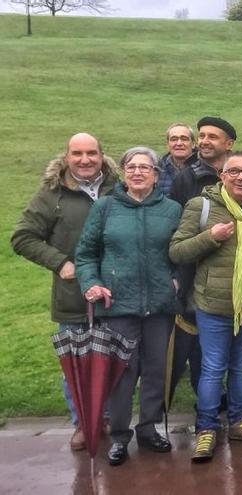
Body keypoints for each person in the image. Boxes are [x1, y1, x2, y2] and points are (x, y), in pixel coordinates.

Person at [11, 132, 118, 451]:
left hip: (116, 292)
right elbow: (23, 237)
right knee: (77, 362)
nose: (85, 160)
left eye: (91, 153)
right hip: (74, 295)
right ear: (67, 156)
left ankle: (109, 417)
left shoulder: (118, 188)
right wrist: (60, 263)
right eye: (77, 154)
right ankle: (83, 423)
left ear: (101, 155)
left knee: (114, 359)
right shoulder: (52, 193)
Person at [75, 147, 181, 466]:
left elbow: (183, 252)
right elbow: (85, 254)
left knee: (155, 371)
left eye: (144, 168)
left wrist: (177, 281)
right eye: (131, 167)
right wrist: (90, 282)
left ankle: (148, 428)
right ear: (122, 172)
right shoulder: (106, 208)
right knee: (122, 374)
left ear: (156, 175)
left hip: (160, 308)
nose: (137, 172)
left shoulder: (172, 209)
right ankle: (120, 436)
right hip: (118, 306)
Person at [170, 151, 242, 462]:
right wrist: (210, 237)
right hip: (212, 304)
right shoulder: (200, 206)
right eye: (234, 171)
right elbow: (177, 251)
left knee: (241, 368)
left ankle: (239, 421)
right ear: (222, 176)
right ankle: (206, 429)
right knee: (213, 369)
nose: (241, 177)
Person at [157, 123, 197, 195]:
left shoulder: (205, 167)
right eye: (174, 139)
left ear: (193, 144)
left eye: (184, 139)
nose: (179, 143)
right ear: (168, 145)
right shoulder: (158, 169)